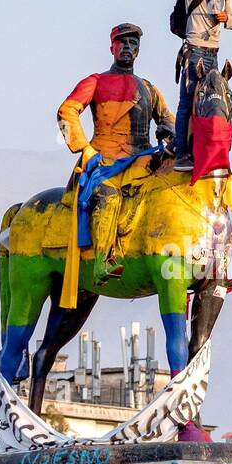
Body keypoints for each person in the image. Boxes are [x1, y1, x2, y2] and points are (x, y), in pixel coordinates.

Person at [57, 23, 174, 282]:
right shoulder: (96, 82)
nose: (128, 49)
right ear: (112, 47)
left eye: (134, 45)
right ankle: (102, 260)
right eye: (123, 43)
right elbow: (66, 111)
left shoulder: (149, 89)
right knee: (108, 197)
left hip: (143, 162)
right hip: (105, 161)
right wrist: (83, 148)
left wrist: (169, 134)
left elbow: (168, 120)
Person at [163, 0, 232, 164]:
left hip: (213, 53)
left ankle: (208, 150)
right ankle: (182, 152)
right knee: (187, 102)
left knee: (213, 103)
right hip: (194, 50)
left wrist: (226, 19)